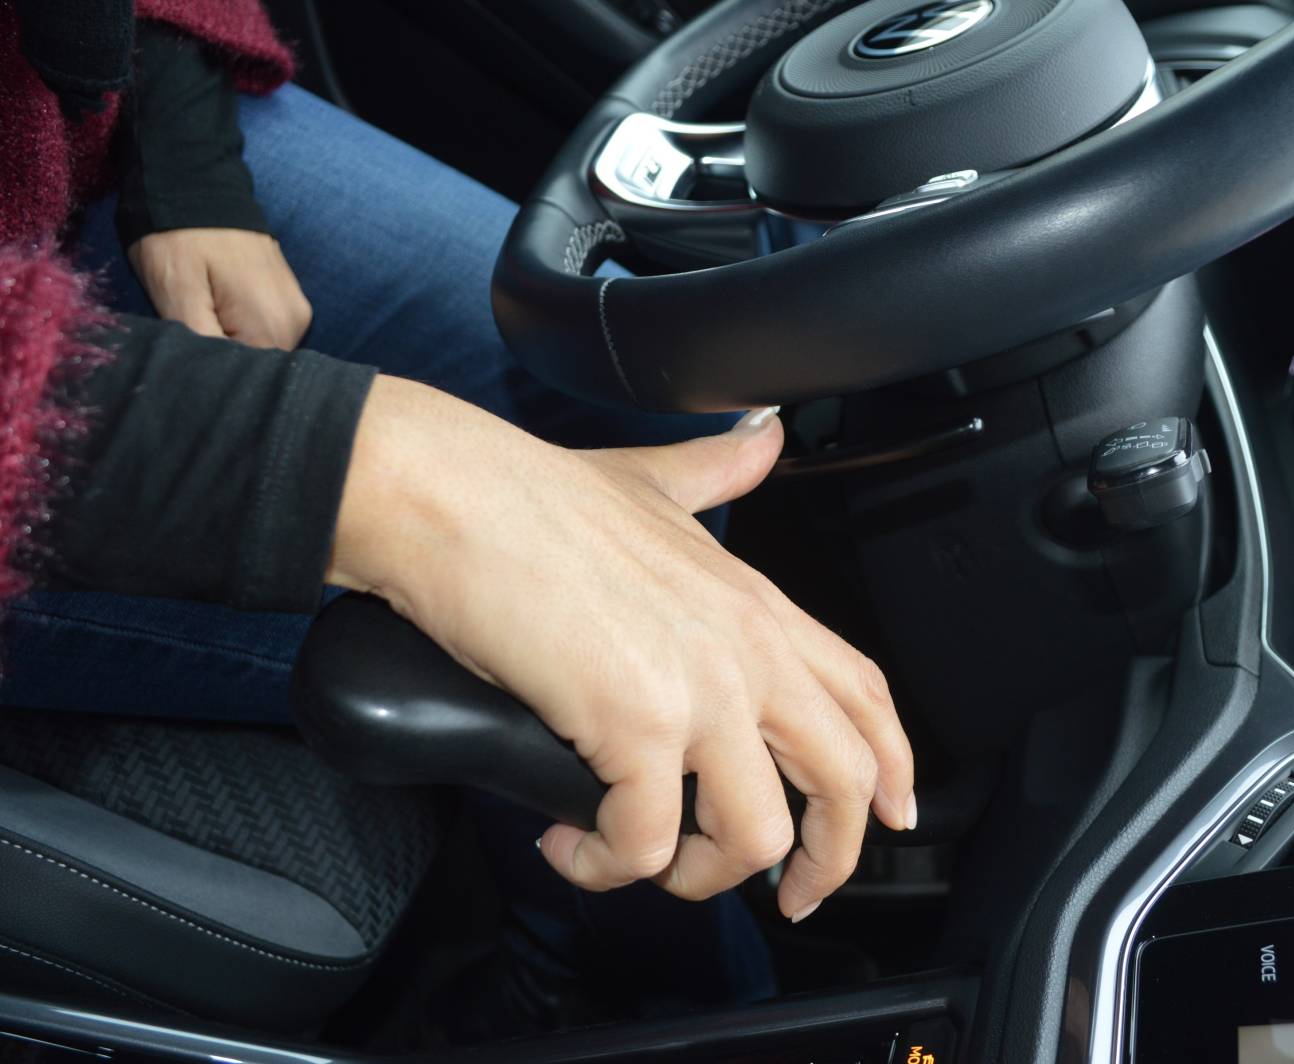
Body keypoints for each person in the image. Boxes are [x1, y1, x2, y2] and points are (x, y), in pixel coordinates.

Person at [0, 0, 916, 1019]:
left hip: (55, 112)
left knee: (632, 392)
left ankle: (590, 949)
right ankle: (657, 1007)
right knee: (555, 640)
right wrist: (385, 478)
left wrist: (182, 154)